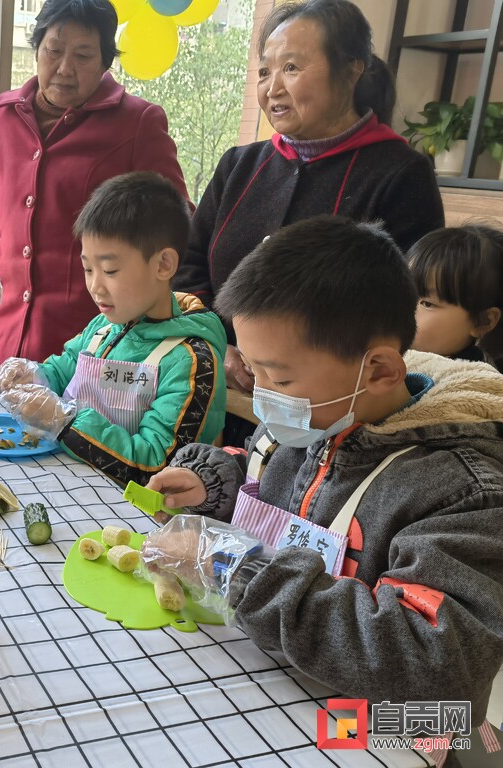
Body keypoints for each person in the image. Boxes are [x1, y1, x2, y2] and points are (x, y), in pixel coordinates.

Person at [143, 216, 503, 751]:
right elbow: (275, 482)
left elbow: (442, 667)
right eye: (255, 370)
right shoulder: (316, 416)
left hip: (390, 727)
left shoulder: (463, 492)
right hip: (271, 670)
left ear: (378, 370)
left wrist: (234, 568)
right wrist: (215, 486)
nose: (261, 394)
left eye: (280, 377)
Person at [172, 0, 444, 397]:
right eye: (264, 71)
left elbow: (407, 306)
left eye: (291, 67)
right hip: (217, 386)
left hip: (327, 404)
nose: (272, 88)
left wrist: (283, 370)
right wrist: (215, 345)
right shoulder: (239, 165)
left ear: (351, 69)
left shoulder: (400, 173)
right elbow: (189, 265)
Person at [0, 0, 190, 376]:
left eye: (83, 55)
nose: (65, 68)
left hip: (84, 351)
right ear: (37, 48)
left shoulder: (137, 123)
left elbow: (176, 225)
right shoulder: (1, 116)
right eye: (53, 50)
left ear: (104, 62)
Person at [0, 172, 225, 487]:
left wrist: (65, 421)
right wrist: (34, 376)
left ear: (163, 265)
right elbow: (65, 369)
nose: (94, 286)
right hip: (70, 483)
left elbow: (156, 466)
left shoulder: (191, 360)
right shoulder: (104, 328)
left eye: (109, 270)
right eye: (88, 269)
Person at [407, 225, 503, 368]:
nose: (403, 309)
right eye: (405, 293)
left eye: (427, 303)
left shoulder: (473, 376)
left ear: (482, 322)